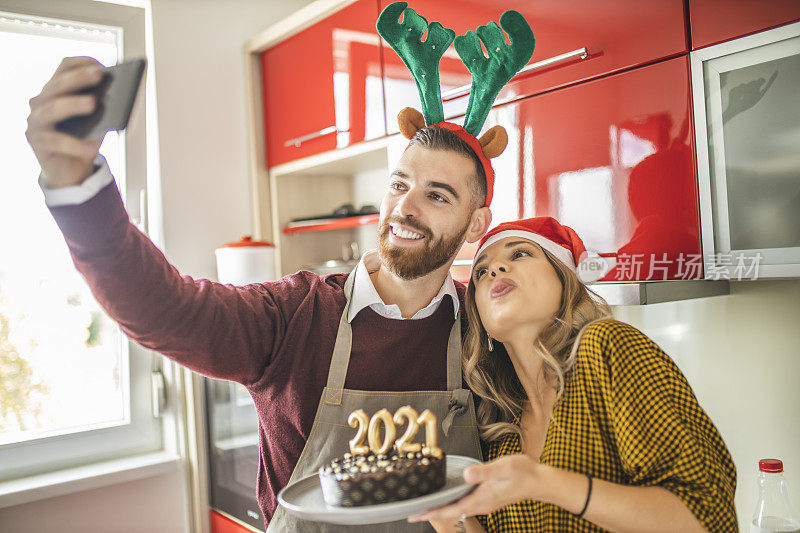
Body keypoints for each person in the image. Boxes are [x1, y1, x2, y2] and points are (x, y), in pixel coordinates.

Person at [24, 56, 498, 532]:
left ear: (475, 224)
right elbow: (162, 309)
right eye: (399, 184)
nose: (405, 208)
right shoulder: (294, 314)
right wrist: (78, 189)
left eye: (437, 196)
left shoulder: (486, 327)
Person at [411, 217, 738, 532]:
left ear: (565, 279)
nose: (494, 269)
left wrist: (543, 483)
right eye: (480, 271)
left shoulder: (609, 348)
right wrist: (441, 507)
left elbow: (709, 519)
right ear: (482, 322)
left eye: (521, 254)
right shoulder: (499, 425)